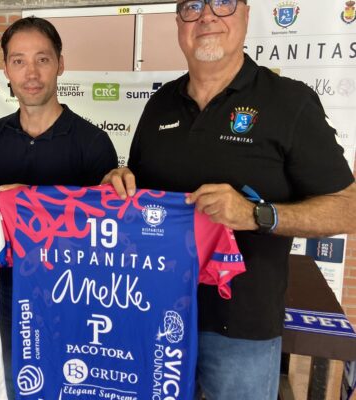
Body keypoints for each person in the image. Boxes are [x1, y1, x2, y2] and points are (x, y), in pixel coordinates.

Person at [103, 1, 356, 399]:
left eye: (222, 3)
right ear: (178, 23)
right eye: (193, 6)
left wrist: (256, 215)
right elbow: (141, 197)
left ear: (246, 15)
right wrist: (119, 185)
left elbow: (348, 207)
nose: (207, 16)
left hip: (241, 329)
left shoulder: (289, 101)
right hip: (156, 313)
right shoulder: (160, 104)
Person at [0, 16, 118, 398]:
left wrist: (31, 199)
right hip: (2, 293)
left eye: (42, 59)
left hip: (72, 294)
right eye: (18, 61)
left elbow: (103, 227)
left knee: (73, 386)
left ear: (60, 64)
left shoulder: (93, 142)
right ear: (5, 69)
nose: (31, 73)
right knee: (9, 384)